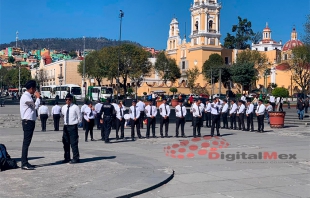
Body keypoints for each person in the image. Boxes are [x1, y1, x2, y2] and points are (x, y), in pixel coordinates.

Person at [20, 80, 40, 170]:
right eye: (35, 88)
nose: (35, 90)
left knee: (27, 143)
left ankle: (25, 161)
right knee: (26, 143)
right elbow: (34, 106)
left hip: (30, 121)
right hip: (28, 122)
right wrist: (38, 98)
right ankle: (24, 163)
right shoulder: (26, 97)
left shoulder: (28, 96)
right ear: (31, 88)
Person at [61, 94, 81, 164]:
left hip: (73, 126)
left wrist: (76, 123)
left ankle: (76, 158)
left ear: (72, 100)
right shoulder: (64, 107)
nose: (68, 101)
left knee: (74, 143)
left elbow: (79, 117)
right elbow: (63, 115)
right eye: (66, 99)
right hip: (66, 126)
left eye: (69, 99)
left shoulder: (75, 107)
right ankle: (67, 157)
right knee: (65, 142)